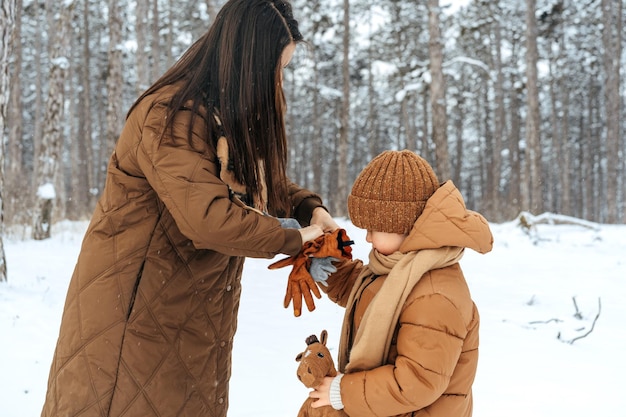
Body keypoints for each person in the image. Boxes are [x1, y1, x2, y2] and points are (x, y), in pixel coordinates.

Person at [40, 1, 337, 416]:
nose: (278, 82)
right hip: (133, 325)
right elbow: (208, 217)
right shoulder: (170, 117)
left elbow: (255, 181)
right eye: (278, 68)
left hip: (187, 319)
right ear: (248, 62)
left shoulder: (220, 119)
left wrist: (309, 211)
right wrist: (291, 238)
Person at [307, 150, 493, 417]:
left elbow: (417, 382)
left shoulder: (435, 295)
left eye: (374, 228)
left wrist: (343, 392)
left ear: (402, 225)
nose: (368, 239)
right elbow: (370, 296)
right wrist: (330, 270)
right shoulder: (399, 268)